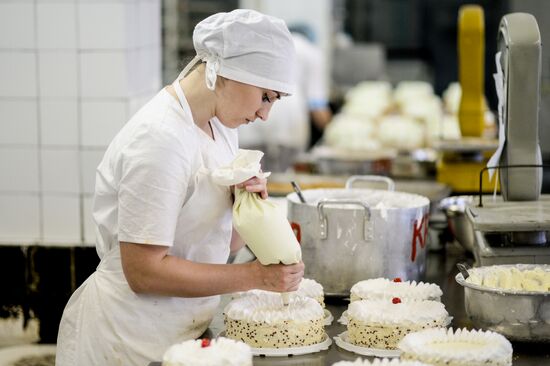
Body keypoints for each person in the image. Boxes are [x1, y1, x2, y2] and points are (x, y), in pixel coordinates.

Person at [55, 9, 304, 366]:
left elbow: (217, 247)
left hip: (180, 334)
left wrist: (247, 211)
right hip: (126, 339)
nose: (265, 114)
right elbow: (143, 272)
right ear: (227, 74)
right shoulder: (161, 140)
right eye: (266, 96)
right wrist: (255, 276)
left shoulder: (221, 128)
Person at [238, 26, 332, 172]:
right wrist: (333, 132)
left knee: (250, 176)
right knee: (284, 178)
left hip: (252, 118)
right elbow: (316, 105)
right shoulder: (312, 53)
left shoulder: (269, 45)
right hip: (289, 124)